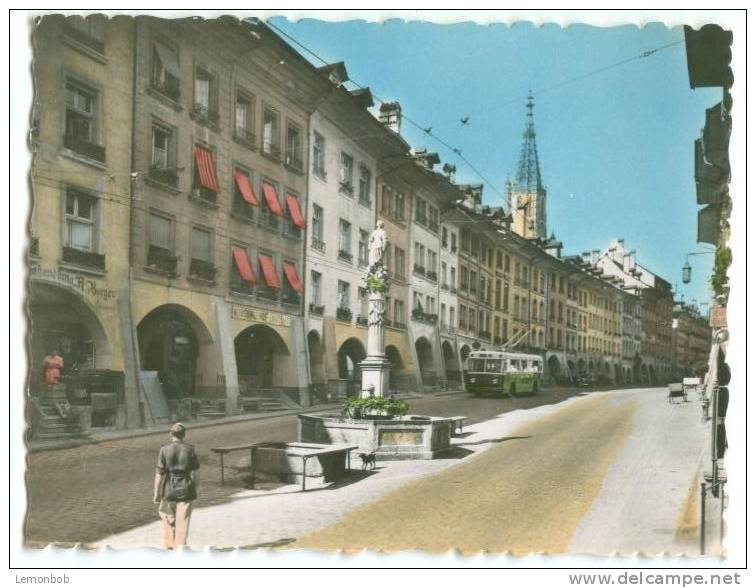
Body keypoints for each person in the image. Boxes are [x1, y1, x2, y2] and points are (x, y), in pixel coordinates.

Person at [153, 422, 200, 549]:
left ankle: (169, 545)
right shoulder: (190, 449)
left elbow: (159, 474)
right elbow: (195, 473)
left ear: (171, 434)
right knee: (183, 521)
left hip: (168, 489)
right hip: (186, 488)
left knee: (167, 516)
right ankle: (180, 548)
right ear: (183, 435)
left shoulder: (164, 450)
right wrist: (195, 489)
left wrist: (156, 493)